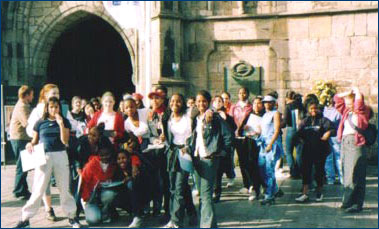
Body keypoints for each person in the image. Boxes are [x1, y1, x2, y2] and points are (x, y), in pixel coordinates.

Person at [15, 97, 81, 228]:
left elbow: (65, 141)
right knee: (38, 189)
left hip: (61, 155)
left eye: (56, 107)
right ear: (47, 108)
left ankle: (72, 217)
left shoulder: (65, 121)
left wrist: (61, 124)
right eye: (51, 107)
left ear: (59, 109)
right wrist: (30, 144)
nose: (54, 109)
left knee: (64, 188)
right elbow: (34, 140)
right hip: (44, 156)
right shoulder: (40, 123)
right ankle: (25, 218)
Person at [188, 90, 233, 228]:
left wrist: (222, 152)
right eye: (198, 101)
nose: (201, 104)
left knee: (207, 195)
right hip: (196, 158)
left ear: (208, 102)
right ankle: (209, 224)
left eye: (204, 101)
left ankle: (206, 226)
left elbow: (228, 135)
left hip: (209, 159)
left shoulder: (214, 117)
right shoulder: (195, 117)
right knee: (202, 194)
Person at [334, 87, 371, 213]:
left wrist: (356, 90)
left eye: (351, 103)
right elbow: (337, 101)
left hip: (355, 142)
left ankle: (356, 203)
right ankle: (348, 201)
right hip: (345, 142)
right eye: (347, 104)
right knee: (347, 174)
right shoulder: (347, 111)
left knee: (356, 174)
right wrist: (346, 94)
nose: (348, 105)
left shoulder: (363, 111)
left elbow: (359, 104)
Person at [26, 83, 59, 221]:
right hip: (42, 148)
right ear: (45, 95)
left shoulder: (61, 107)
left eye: (57, 93)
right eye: (53, 93)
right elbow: (30, 129)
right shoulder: (39, 109)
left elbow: (71, 124)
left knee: (62, 179)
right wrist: (38, 135)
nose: (56, 96)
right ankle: (48, 208)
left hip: (58, 148)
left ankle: (72, 208)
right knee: (43, 181)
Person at [163, 94, 197, 228]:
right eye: (172, 101)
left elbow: (194, 135)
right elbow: (167, 136)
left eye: (178, 101)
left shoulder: (188, 116)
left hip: (185, 153)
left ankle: (176, 221)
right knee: (174, 187)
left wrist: (187, 147)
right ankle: (191, 212)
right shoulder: (167, 118)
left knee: (179, 188)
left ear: (183, 103)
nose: (175, 103)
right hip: (172, 154)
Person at [295, 100, 335, 203]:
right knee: (306, 172)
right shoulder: (305, 121)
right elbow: (298, 133)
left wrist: (328, 133)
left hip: (320, 150)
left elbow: (333, 129)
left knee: (319, 172)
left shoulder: (323, 120)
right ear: (308, 110)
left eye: (315, 108)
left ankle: (319, 193)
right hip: (307, 150)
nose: (313, 111)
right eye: (311, 109)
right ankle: (305, 193)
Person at [146, 91, 170, 220]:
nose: (154, 101)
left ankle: (167, 208)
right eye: (152, 99)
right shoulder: (149, 114)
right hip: (153, 150)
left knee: (165, 179)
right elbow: (147, 133)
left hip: (165, 150)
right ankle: (156, 206)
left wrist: (165, 137)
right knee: (155, 180)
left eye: (157, 98)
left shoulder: (167, 113)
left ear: (162, 100)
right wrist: (153, 139)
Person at [80, 143, 117, 225]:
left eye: (107, 154)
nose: (104, 157)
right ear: (98, 155)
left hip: (103, 194)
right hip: (90, 197)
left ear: (111, 154)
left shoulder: (113, 164)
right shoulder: (91, 165)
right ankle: (94, 210)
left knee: (110, 194)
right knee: (93, 220)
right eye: (102, 155)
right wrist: (86, 198)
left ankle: (105, 212)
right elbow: (83, 182)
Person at [237, 95, 266, 201]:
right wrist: (244, 128)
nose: (256, 106)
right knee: (249, 165)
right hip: (249, 142)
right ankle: (254, 187)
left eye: (259, 103)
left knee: (261, 166)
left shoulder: (265, 116)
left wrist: (259, 132)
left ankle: (262, 186)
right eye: (254, 103)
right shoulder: (250, 115)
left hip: (260, 143)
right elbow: (240, 130)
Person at [257, 95, 284, 205]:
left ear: (273, 103)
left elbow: (277, 130)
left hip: (271, 144)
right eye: (265, 102)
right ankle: (275, 189)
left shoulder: (275, 113)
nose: (267, 104)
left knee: (269, 170)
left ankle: (269, 196)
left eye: (269, 102)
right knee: (261, 168)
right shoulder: (265, 115)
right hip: (263, 144)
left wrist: (271, 144)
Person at [9, 85, 34, 200]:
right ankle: (18, 190)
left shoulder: (23, 105)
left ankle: (23, 189)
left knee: (25, 165)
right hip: (20, 139)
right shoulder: (22, 107)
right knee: (22, 165)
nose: (32, 97)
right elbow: (27, 123)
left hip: (20, 138)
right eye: (31, 94)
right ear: (26, 95)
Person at [211, 95, 237, 203]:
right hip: (210, 146)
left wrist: (225, 118)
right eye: (215, 101)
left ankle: (217, 192)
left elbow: (233, 128)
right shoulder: (209, 114)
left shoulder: (226, 116)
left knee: (218, 172)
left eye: (220, 101)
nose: (217, 102)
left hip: (221, 147)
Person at [229, 87, 253, 195]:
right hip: (237, 137)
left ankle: (253, 183)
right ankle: (246, 184)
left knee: (250, 160)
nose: (242, 95)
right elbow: (230, 120)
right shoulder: (234, 107)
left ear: (248, 94)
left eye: (244, 93)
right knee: (242, 162)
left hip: (248, 136)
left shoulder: (251, 107)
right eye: (240, 93)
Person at [323, 95, 343, 185]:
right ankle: (342, 177)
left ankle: (330, 178)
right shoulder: (338, 112)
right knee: (339, 157)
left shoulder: (324, 111)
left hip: (326, 135)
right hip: (336, 135)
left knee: (328, 158)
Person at [283, 91, 303, 179]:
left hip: (291, 129)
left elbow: (286, 120)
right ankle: (299, 171)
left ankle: (293, 171)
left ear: (287, 98)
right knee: (299, 152)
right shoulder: (301, 105)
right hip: (300, 130)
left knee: (288, 152)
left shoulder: (288, 106)